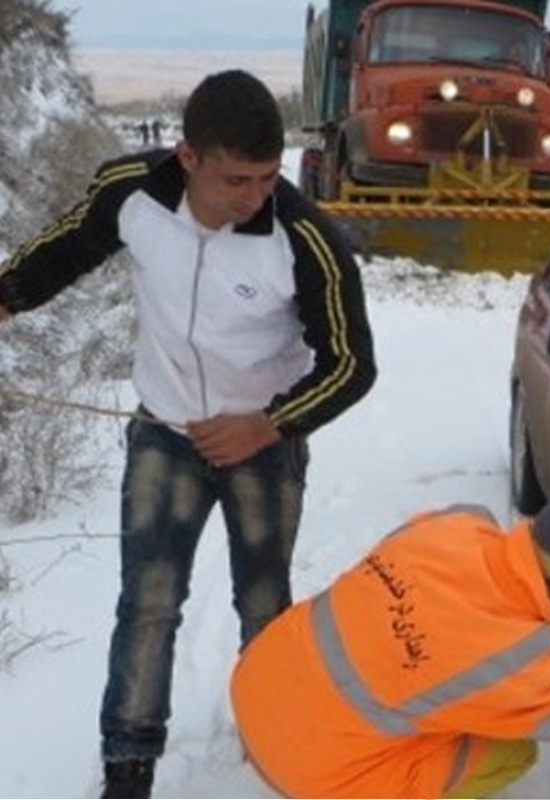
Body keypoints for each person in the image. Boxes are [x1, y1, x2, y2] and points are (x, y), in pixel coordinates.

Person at [0, 69, 377, 798]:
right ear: (188, 157)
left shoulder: (304, 237)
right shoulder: (130, 193)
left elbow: (353, 364)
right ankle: (127, 767)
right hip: (162, 435)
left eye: (267, 177)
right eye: (236, 179)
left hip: (263, 448)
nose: (254, 196)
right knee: (147, 601)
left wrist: (268, 424)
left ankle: (275, 738)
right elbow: (60, 252)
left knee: (264, 605)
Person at [230, 486, 550, 798]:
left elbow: (462, 620)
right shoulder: (515, 661)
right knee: (512, 750)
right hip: (311, 772)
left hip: (259, 684)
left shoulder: (458, 525)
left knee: (441, 689)